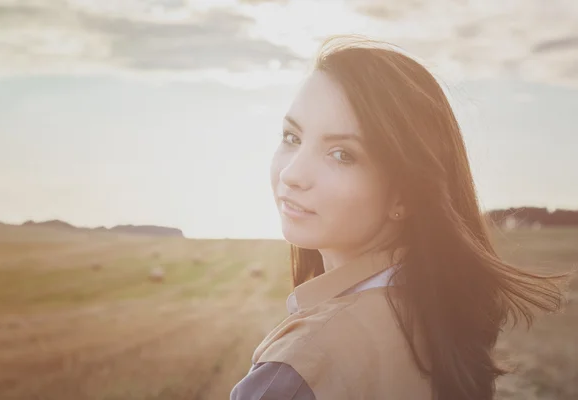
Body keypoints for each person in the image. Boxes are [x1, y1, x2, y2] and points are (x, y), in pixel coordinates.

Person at [230, 35, 567, 400]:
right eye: (292, 137)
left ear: (405, 193)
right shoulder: (441, 318)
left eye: (342, 154)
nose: (292, 174)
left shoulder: (296, 372)